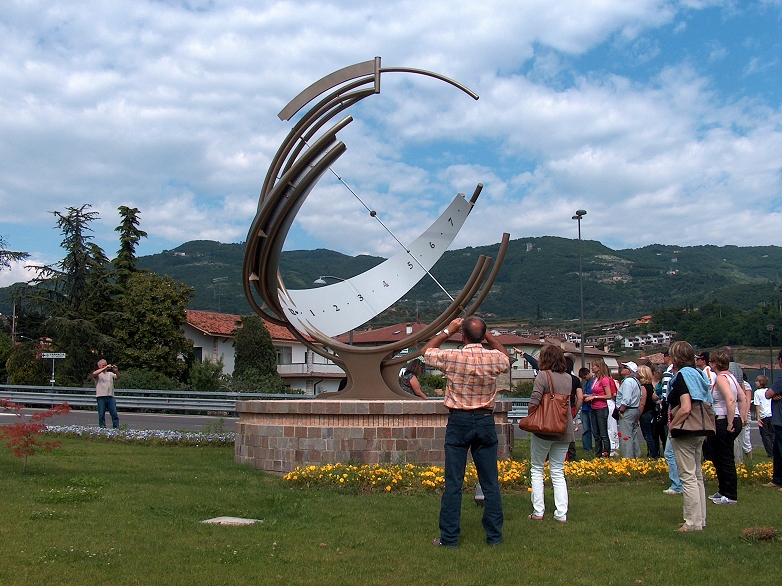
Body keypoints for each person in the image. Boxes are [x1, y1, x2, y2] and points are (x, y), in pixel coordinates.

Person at [423, 316, 510, 547]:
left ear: (462, 336)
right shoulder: (493, 358)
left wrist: (446, 331)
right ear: (483, 336)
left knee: (454, 482)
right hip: (484, 420)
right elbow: (506, 358)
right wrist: (489, 337)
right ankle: (494, 537)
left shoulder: (454, 356)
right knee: (490, 482)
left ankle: (449, 538)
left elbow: (427, 352)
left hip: (459, 421)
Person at [528, 345, 582, 523]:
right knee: (558, 471)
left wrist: (531, 416)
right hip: (564, 428)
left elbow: (535, 399)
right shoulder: (568, 378)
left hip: (544, 428)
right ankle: (561, 513)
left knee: (537, 468)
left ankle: (538, 511)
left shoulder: (543, 376)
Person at [667, 341, 713, 532]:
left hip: (686, 429)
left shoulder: (681, 377)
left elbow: (685, 406)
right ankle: (700, 519)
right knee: (697, 475)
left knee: (687, 476)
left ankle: (692, 522)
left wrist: (673, 425)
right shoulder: (699, 374)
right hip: (700, 428)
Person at [706, 349, 748, 505]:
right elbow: (742, 397)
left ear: (715, 364)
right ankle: (723, 490)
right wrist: (742, 417)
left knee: (725, 458)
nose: (709, 364)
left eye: (711, 362)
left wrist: (731, 421)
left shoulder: (721, 378)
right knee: (718, 457)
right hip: (729, 418)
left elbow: (731, 400)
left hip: (724, 419)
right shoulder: (731, 377)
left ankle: (730, 494)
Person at [661, 350, 683, 494]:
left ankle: (677, 484)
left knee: (670, 452)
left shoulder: (671, 374)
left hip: (677, 415)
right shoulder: (695, 374)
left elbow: (667, 396)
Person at [584, 358, 612, 457]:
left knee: (603, 433)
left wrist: (595, 397)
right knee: (596, 434)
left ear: (599, 367)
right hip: (594, 407)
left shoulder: (604, 379)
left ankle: (606, 453)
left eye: (594, 366)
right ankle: (598, 454)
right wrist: (587, 396)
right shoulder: (595, 379)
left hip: (601, 408)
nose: (592, 368)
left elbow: (608, 395)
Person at [763, 350, 782, 490]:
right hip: (778, 420)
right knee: (777, 451)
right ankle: (777, 479)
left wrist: (773, 393)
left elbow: (768, 393)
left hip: (780, 420)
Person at [616, 361, 642, 458]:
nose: (622, 368)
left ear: (629, 371)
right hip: (635, 409)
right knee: (634, 433)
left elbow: (626, 399)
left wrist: (621, 410)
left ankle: (628, 458)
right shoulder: (636, 381)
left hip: (627, 410)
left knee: (626, 435)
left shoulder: (627, 382)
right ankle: (636, 455)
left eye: (625, 367)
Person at [637, 365, 659, 458]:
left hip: (646, 413)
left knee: (647, 435)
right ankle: (653, 453)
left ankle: (652, 454)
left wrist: (638, 415)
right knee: (651, 435)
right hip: (651, 411)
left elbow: (642, 403)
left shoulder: (643, 387)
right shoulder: (650, 385)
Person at [93, 359, 120, 429]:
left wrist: (116, 371)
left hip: (110, 396)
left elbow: (118, 377)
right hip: (101, 397)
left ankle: (116, 428)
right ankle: (102, 428)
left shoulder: (110, 374)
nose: (105, 367)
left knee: (114, 413)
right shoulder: (98, 374)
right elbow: (94, 374)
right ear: (99, 366)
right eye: (103, 365)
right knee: (101, 414)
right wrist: (105, 368)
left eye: (106, 365)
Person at [734, 375, 753, 462]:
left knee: (745, 437)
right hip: (737, 412)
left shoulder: (745, 385)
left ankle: (749, 457)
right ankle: (738, 457)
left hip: (743, 412)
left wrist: (745, 414)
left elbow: (747, 400)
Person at [754, 375, 774, 458]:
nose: (755, 382)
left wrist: (758, 418)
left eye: (757, 381)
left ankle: (770, 453)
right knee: (773, 434)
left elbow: (758, 405)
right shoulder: (769, 391)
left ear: (760, 383)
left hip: (763, 415)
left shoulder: (757, 392)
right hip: (771, 414)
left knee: (765, 435)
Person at [578, 366, 593, 453]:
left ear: (587, 373)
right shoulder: (586, 383)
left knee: (593, 429)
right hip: (585, 408)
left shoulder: (593, 382)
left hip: (591, 408)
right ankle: (587, 448)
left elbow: (593, 394)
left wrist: (584, 396)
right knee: (586, 429)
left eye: (584, 377)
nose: (584, 379)